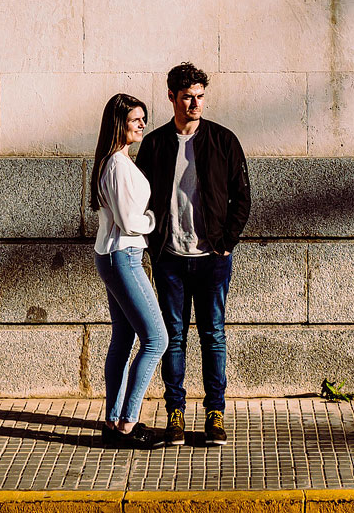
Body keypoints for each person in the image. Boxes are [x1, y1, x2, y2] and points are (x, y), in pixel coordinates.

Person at [135, 62, 251, 447]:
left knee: (213, 335)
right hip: (170, 257)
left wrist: (226, 241)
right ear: (171, 97)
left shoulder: (223, 140)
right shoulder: (154, 144)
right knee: (173, 337)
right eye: (187, 97)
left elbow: (242, 198)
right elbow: (139, 199)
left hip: (213, 257)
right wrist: (152, 244)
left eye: (200, 96)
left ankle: (215, 413)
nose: (195, 104)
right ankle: (175, 414)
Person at [90, 92, 168, 448]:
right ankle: (128, 423)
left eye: (143, 119)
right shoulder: (118, 166)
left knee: (123, 338)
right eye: (136, 120)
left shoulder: (113, 161)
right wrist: (153, 220)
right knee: (157, 339)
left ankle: (113, 420)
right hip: (123, 255)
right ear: (119, 123)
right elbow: (128, 220)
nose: (142, 125)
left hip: (113, 254)